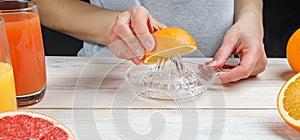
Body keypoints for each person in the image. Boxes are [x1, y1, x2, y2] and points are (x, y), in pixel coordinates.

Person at [35, 0, 267, 84]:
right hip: (109, 82)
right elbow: (45, 4)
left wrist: (251, 17)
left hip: (225, 81)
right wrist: (111, 26)